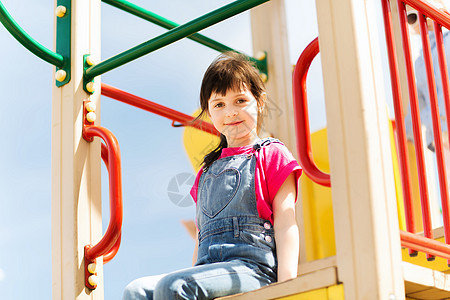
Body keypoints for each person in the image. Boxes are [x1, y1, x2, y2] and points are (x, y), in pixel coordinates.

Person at [122, 52, 302, 300]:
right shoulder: (207, 171)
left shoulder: (271, 154)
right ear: (209, 111)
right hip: (209, 270)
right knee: (136, 290)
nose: (231, 112)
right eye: (219, 104)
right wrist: (194, 273)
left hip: (253, 269)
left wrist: (287, 284)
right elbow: (201, 236)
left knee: (173, 287)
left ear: (259, 102)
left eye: (240, 101)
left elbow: (286, 223)